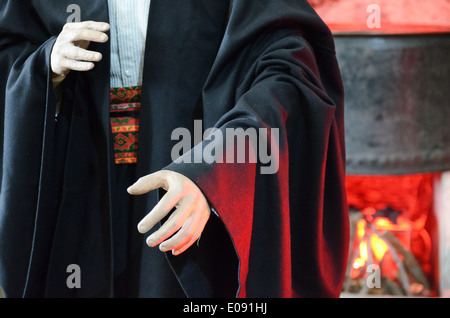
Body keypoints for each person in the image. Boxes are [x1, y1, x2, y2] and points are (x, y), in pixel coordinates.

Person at [0, 0, 349, 298]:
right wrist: (43, 68)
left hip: (189, 173)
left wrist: (214, 170)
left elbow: (289, 75)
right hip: (75, 176)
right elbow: (11, 46)